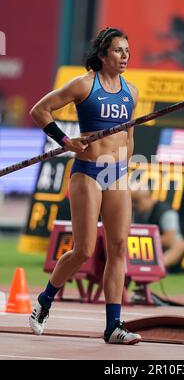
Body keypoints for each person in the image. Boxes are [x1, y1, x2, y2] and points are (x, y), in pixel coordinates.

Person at [29, 27, 142, 345]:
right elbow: (40, 111)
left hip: (116, 174)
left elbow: (129, 136)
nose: (125, 57)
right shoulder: (83, 84)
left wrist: (124, 167)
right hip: (87, 173)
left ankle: (113, 326)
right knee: (84, 250)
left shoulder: (131, 92)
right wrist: (65, 140)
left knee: (119, 248)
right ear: (104, 54)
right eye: (119, 51)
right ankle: (44, 302)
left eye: (127, 51)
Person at [132, 189, 184, 271]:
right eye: (132, 202)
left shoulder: (166, 212)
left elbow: (169, 240)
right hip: (139, 250)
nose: (133, 205)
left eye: (136, 201)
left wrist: (144, 241)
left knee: (181, 244)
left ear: (147, 198)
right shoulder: (134, 212)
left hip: (160, 251)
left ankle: (157, 267)